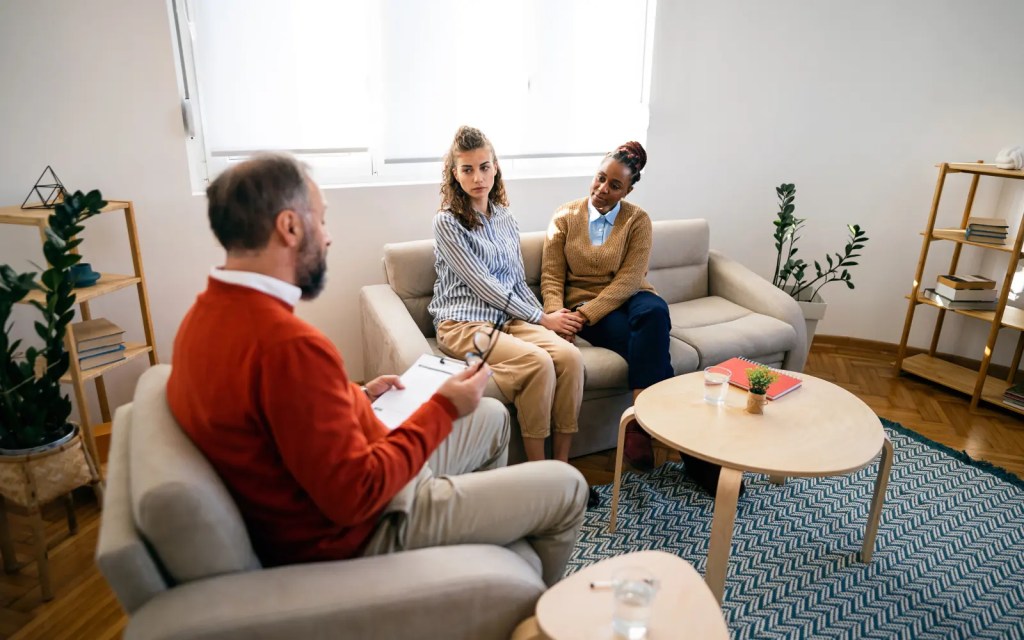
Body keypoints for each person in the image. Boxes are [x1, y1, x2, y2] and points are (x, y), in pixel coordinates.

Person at [166, 152, 588, 586]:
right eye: (321, 221)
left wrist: (356, 395)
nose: (328, 238)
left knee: (493, 416)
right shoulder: (290, 346)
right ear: (289, 227)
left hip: (365, 474)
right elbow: (356, 495)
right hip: (372, 523)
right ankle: (527, 603)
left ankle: (484, 575)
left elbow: (281, 413)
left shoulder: (201, 318)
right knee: (566, 487)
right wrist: (443, 407)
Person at [540, 142, 735, 497]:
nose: (603, 188)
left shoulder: (637, 220)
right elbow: (551, 276)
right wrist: (558, 314)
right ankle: (692, 455)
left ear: (627, 191)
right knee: (648, 348)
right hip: (587, 304)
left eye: (615, 185)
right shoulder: (564, 216)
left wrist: (584, 315)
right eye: (601, 178)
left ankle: (639, 426)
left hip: (628, 296)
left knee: (655, 313)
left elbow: (630, 280)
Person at [428, 126, 601, 507]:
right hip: (464, 323)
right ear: (455, 174)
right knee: (538, 363)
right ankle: (538, 481)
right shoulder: (447, 223)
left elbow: (516, 282)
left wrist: (547, 319)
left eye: (484, 167)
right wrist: (541, 318)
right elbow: (485, 285)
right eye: (467, 169)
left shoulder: (506, 217)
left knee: (570, 358)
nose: (478, 177)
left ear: (495, 168)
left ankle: (562, 470)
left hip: (508, 318)